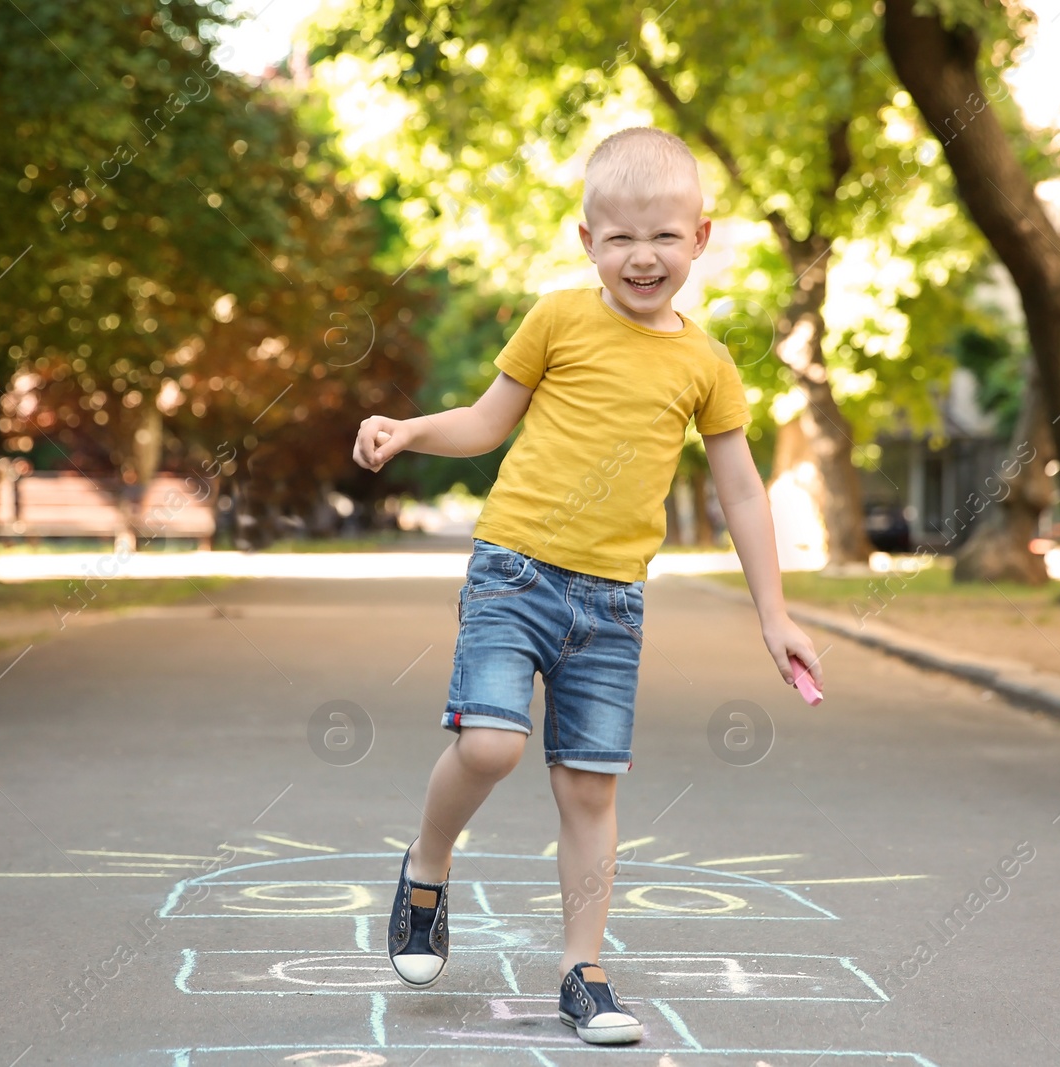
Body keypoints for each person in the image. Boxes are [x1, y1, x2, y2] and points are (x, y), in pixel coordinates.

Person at [350, 126, 824, 1046]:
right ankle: (427, 866)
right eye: (619, 238)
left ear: (702, 237)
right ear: (586, 242)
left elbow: (741, 489)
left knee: (590, 790)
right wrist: (410, 429)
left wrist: (776, 614)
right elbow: (488, 423)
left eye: (663, 237)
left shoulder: (707, 364)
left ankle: (584, 970)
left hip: (612, 599)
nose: (642, 257)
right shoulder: (559, 318)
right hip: (513, 568)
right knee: (490, 747)